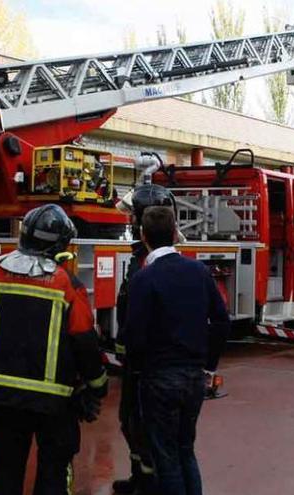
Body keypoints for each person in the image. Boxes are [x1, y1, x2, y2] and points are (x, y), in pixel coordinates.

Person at [0, 204, 108, 495]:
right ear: (60, 244)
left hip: (1, 397)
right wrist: (97, 385)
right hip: (53, 403)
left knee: (4, 473)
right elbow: (84, 340)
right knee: (53, 475)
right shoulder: (67, 284)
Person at [124, 206, 231, 495]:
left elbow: (133, 335)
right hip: (194, 377)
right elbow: (221, 320)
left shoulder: (143, 279)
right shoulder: (199, 271)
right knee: (186, 450)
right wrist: (209, 366)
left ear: (143, 236)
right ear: (174, 234)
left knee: (165, 457)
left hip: (159, 377)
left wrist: (136, 370)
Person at [112, 184, 177, 495]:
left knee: (142, 423)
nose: (129, 224)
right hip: (135, 362)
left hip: (145, 365)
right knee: (129, 421)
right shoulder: (142, 258)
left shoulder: (149, 264)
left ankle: (149, 484)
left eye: (132, 219)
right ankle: (139, 476)